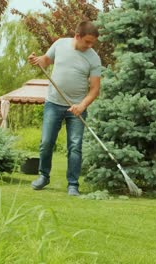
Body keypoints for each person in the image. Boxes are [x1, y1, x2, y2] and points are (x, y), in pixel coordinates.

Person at [27, 21, 101, 196]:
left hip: (77, 108)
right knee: (46, 143)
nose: (90, 46)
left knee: (75, 146)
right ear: (77, 36)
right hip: (53, 103)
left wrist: (82, 105)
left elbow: (95, 89)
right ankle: (43, 176)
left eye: (93, 43)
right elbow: (45, 61)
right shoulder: (60, 44)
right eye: (87, 42)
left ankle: (73, 185)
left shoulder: (93, 58)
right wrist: (37, 60)